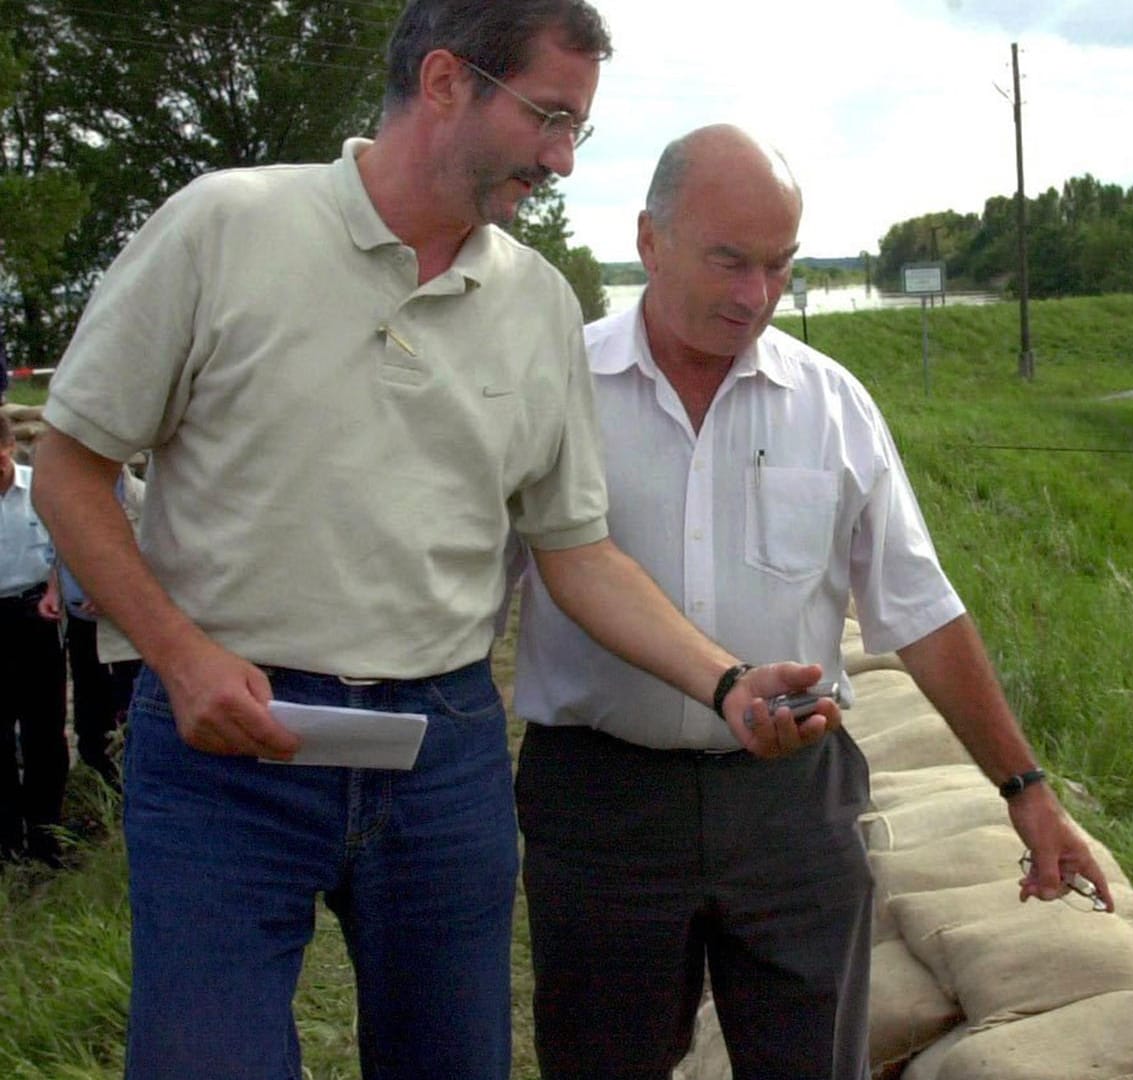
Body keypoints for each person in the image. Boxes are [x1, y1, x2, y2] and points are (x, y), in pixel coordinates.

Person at [31, 6, 834, 1078]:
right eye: (550, 118)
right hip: (224, 743)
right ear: (448, 81)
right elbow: (71, 471)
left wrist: (726, 682)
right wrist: (179, 658)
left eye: (577, 131)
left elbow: (576, 550)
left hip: (438, 755)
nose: (560, 157)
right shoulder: (223, 227)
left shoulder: (538, 304)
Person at [512, 124, 1113, 1080]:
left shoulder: (831, 405)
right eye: (729, 260)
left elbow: (919, 611)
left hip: (794, 807)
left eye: (780, 266)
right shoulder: (555, 390)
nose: (756, 295)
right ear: (649, 240)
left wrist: (1026, 791)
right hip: (603, 806)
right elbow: (464, 593)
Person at [0, 413, 67, 867]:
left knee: (45, 731)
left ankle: (47, 836)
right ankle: (6, 841)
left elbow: (68, 546)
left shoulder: (41, 491)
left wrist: (56, 591)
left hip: (35, 613)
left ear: (7, 449)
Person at [53, 464, 145, 789]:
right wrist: (55, 590)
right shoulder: (69, 490)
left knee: (127, 704)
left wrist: (112, 592)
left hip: (127, 630)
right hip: (80, 622)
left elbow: (156, 560)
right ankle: (97, 783)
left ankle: (127, 782)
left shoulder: (141, 500)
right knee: (89, 711)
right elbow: (56, 548)